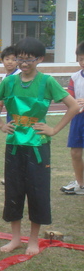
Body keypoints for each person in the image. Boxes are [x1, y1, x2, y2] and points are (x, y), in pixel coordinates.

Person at [0, 37, 79, 255]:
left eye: (28, 60)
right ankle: (15, 238)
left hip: (38, 146)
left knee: (37, 191)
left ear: (40, 59)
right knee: (14, 191)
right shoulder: (9, 82)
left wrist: (54, 129)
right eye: (19, 59)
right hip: (14, 145)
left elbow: (72, 106)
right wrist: (2, 124)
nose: (23, 64)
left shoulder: (47, 81)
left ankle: (33, 240)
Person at [61, 41, 84, 195]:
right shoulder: (75, 77)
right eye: (80, 59)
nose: (82, 62)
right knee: (75, 152)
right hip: (78, 118)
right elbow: (70, 97)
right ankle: (80, 184)